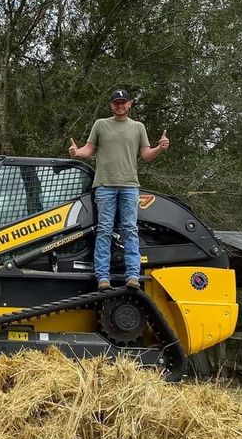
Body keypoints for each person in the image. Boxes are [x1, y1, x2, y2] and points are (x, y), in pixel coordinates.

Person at [68, 89, 169, 290]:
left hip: (130, 186)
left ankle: (132, 276)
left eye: (123, 102)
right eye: (116, 102)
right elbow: (89, 149)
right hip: (104, 185)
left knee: (130, 229)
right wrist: (76, 152)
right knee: (104, 230)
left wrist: (160, 148)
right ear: (111, 105)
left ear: (130, 104)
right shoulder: (101, 124)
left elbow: (146, 155)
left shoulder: (138, 127)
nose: (120, 105)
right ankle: (102, 278)